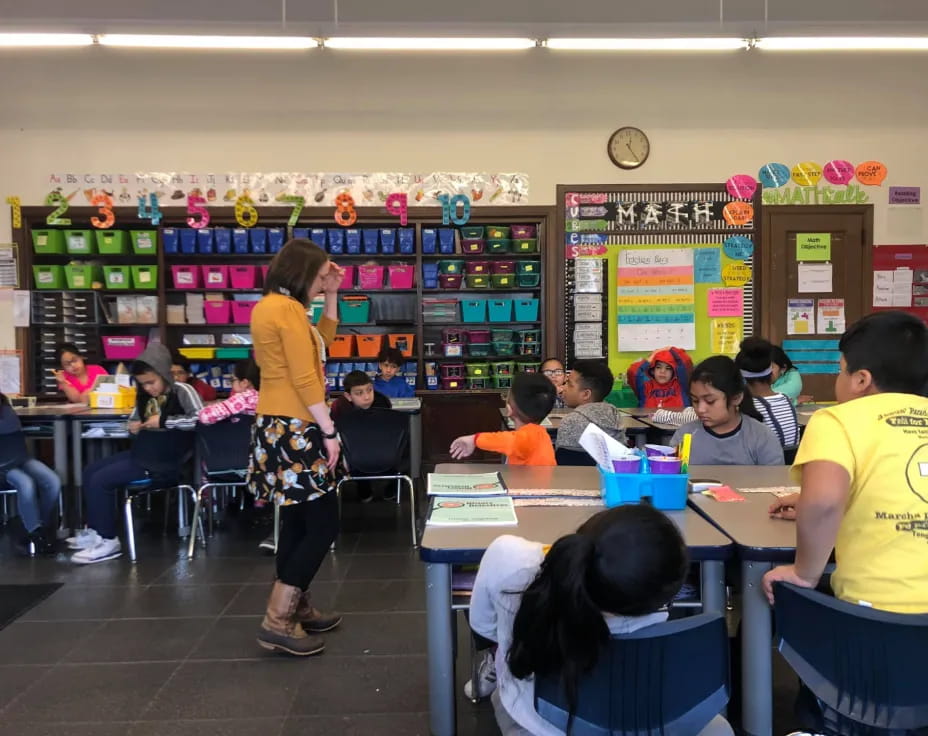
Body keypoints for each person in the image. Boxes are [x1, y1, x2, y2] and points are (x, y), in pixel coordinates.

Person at [469, 505, 733, 736]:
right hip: (650, 722)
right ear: (667, 593)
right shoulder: (667, 634)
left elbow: (484, 627)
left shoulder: (508, 559)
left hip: (533, 722)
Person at [763, 311, 928, 614]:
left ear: (861, 380)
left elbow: (824, 503)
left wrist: (804, 573)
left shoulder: (836, 420)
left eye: (840, 371)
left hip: (878, 615)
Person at [248, 238, 346, 656]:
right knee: (322, 523)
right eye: (323, 274)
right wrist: (328, 429)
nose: (326, 279)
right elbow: (306, 377)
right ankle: (279, 619)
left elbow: (324, 341)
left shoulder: (276, 307)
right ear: (303, 271)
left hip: (278, 424)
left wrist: (333, 295)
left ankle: (295, 605)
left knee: (298, 521)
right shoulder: (286, 310)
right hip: (297, 425)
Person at [67, 343, 203, 564]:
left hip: (166, 460)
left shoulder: (182, 391)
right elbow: (133, 418)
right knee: (91, 471)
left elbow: (201, 419)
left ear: (165, 374)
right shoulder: (143, 396)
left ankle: (108, 540)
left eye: (152, 382)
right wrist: (134, 425)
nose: (149, 388)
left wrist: (166, 421)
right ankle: (96, 530)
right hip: (144, 453)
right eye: (143, 384)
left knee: (102, 480)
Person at [671, 356, 783, 466]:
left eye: (710, 401)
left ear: (736, 398)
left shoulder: (762, 438)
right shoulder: (685, 435)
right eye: (695, 400)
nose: (700, 409)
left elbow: (775, 482)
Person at [0, 393, 61, 555]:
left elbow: (11, 424)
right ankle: (36, 534)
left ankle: (40, 525)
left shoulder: (3, 402)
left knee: (53, 481)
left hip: (18, 456)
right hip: (2, 465)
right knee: (26, 483)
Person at [450, 372, 556, 466]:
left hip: (530, 488)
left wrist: (475, 439)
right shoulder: (540, 434)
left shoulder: (530, 435)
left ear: (509, 409)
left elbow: (506, 440)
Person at [332, 369, 394, 503]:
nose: (366, 396)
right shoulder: (339, 406)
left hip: (383, 453)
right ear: (348, 396)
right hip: (353, 456)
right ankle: (363, 489)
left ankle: (392, 487)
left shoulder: (382, 402)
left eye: (369, 390)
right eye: (359, 393)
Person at [735, 337, 799, 450]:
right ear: (772, 372)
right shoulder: (785, 399)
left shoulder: (745, 407)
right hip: (788, 466)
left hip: (763, 466)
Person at [556, 360, 626, 454]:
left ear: (586, 394)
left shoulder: (570, 421)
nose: (564, 388)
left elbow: (562, 458)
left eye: (569, 384)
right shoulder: (616, 417)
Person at [197, 357, 260, 425]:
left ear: (244, 383)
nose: (231, 384)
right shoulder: (261, 395)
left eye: (232, 380)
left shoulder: (243, 398)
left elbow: (205, 416)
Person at [626, 347, 692, 409]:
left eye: (668, 368)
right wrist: (651, 358)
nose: (662, 371)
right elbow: (632, 372)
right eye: (658, 367)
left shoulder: (682, 386)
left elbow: (686, 362)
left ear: (674, 372)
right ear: (652, 370)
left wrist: (670, 349)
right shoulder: (645, 387)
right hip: (646, 421)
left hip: (678, 421)